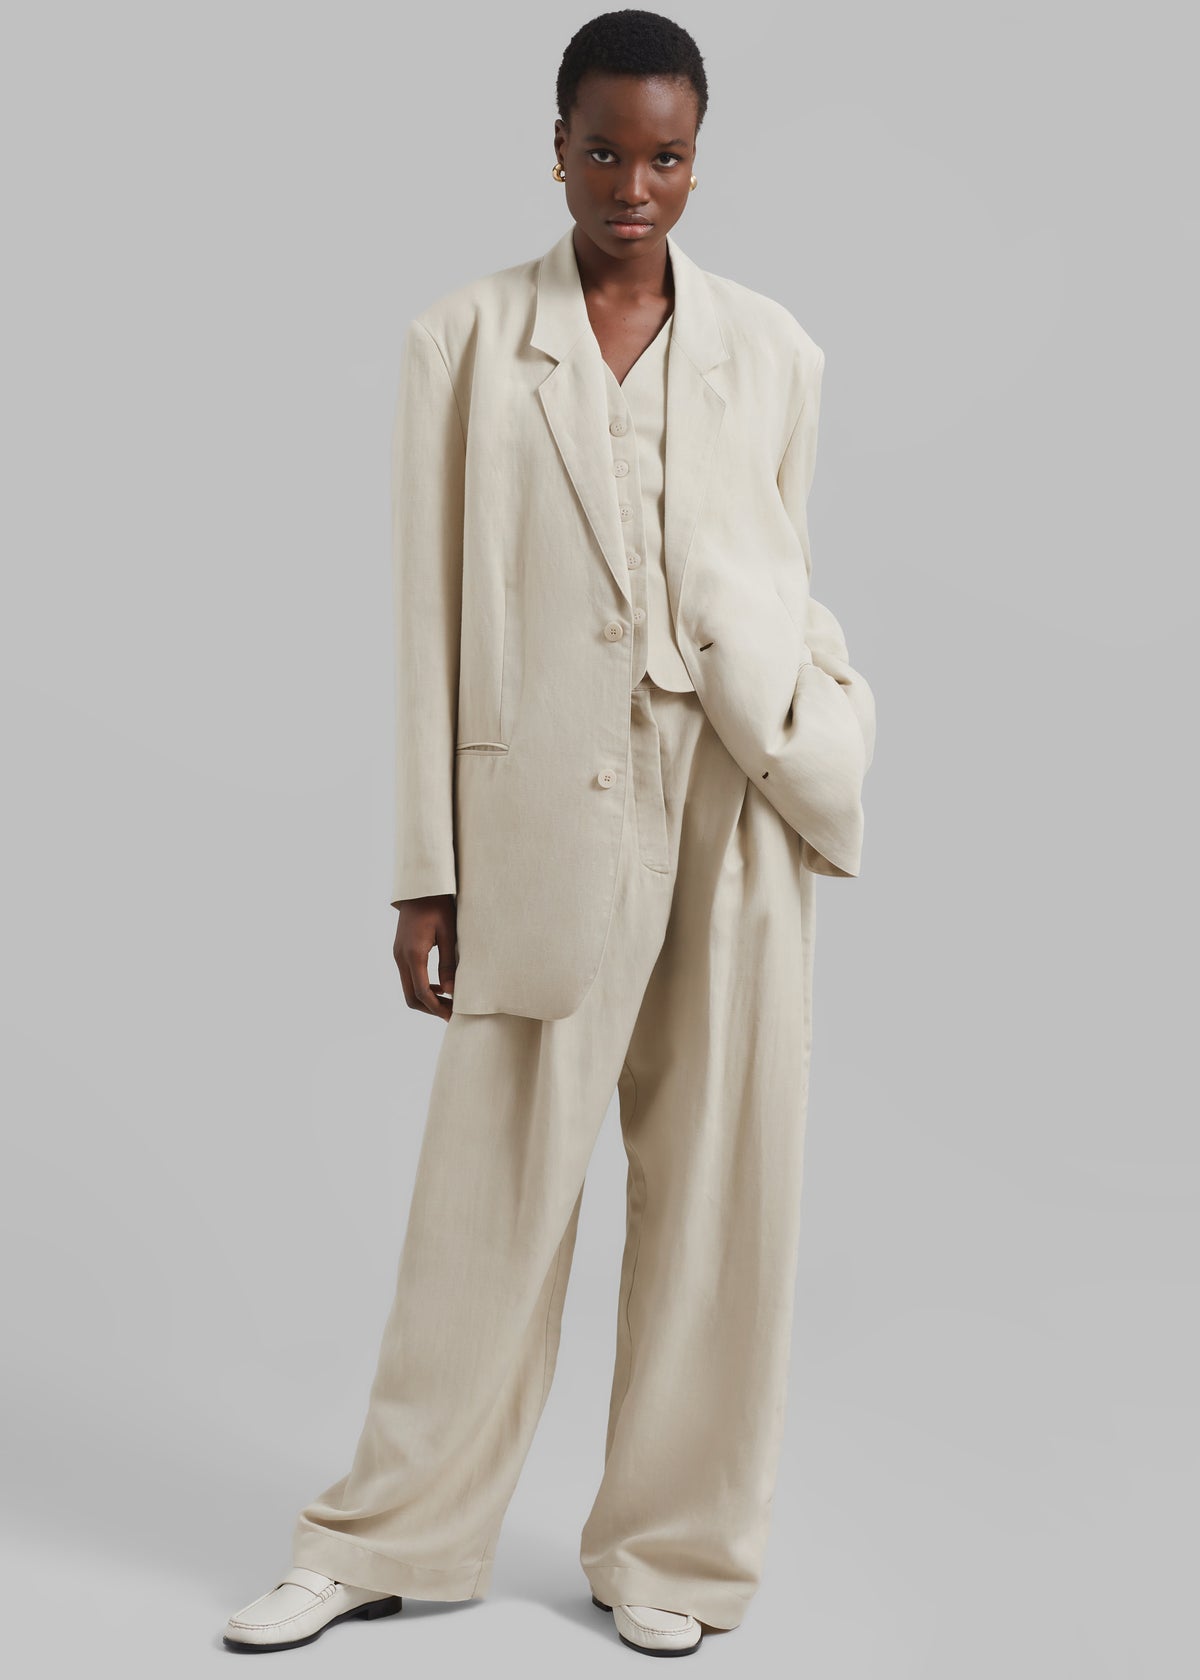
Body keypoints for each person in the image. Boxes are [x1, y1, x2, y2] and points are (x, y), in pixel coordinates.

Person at [223, 7, 876, 1660]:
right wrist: (423, 871)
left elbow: (780, 579)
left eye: (666, 156)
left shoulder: (778, 354)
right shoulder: (460, 341)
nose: (633, 187)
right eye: (604, 151)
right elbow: (428, 612)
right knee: (490, 1192)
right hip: (540, 806)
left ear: (699, 160)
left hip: (732, 799)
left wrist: (817, 727)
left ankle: (672, 1554)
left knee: (720, 1186)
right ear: (557, 148)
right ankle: (385, 1535)